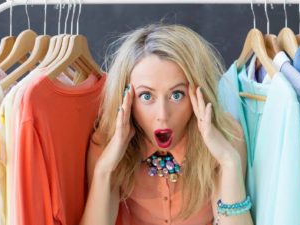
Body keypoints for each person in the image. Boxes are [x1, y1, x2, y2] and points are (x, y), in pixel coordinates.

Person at [80, 23, 253, 225]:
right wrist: (104, 169)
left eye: (176, 95)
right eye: (146, 96)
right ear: (126, 99)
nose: (162, 115)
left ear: (198, 94)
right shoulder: (106, 142)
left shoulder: (227, 136)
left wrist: (229, 161)